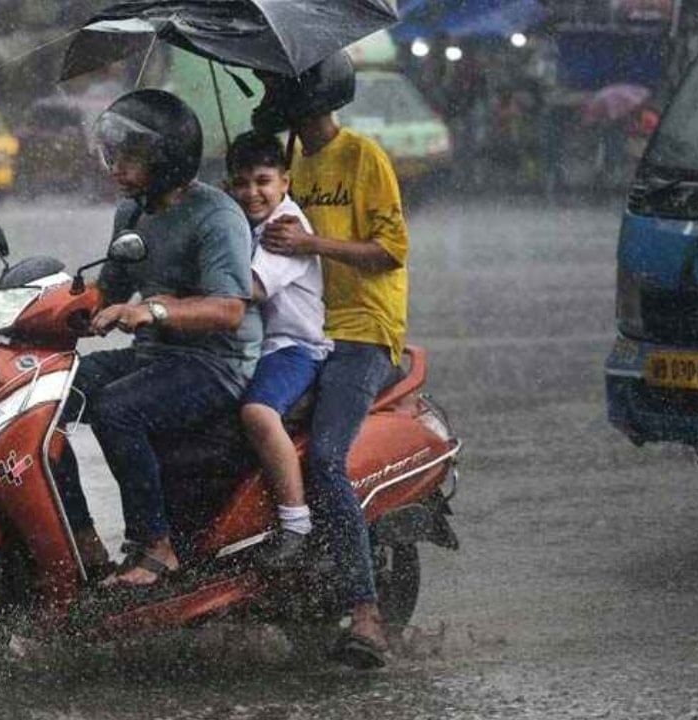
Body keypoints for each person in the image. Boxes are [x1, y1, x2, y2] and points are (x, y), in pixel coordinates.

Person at [55, 89, 260, 589]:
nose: (116, 167)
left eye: (132, 157)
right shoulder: (132, 213)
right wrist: (41, 306)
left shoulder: (218, 217)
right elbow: (110, 290)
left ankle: (155, 545)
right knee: (48, 397)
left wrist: (152, 310)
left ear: (168, 162)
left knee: (118, 408)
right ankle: (80, 541)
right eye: (116, 154)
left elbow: (230, 310)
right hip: (157, 353)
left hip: (216, 362)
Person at [254, 50, 410, 669]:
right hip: (300, 330)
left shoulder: (363, 157)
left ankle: (368, 613)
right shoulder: (287, 162)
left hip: (362, 331)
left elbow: (390, 251)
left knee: (324, 457)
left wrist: (311, 240)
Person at [223, 131, 330, 565]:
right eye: (242, 183)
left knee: (258, 413)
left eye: (263, 181)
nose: (253, 193)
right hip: (255, 347)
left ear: (285, 181)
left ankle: (296, 522)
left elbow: (250, 287)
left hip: (294, 347)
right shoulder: (243, 221)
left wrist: (181, 299)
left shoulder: (285, 227)